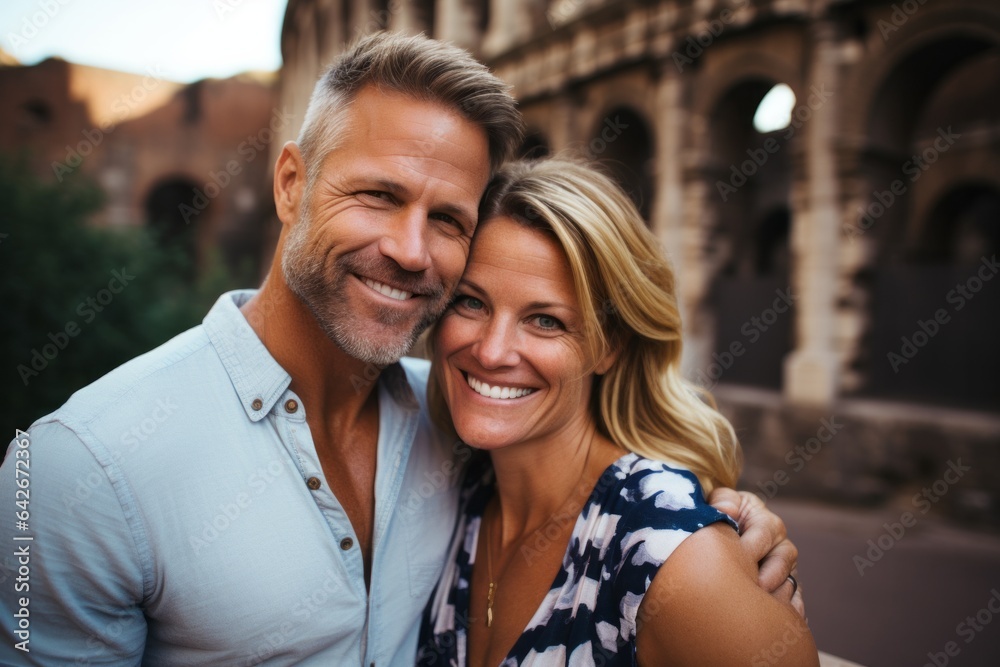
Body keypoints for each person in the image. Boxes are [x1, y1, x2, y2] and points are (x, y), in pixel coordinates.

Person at [0, 33, 798, 665]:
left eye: (449, 219)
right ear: (289, 185)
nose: (412, 251)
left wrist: (723, 531)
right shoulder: (77, 471)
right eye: (378, 195)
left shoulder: (454, 419)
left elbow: (610, 491)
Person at [417, 158, 818, 665]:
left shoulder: (669, 555)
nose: (492, 352)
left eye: (545, 320)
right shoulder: (454, 483)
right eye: (471, 303)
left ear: (609, 346)